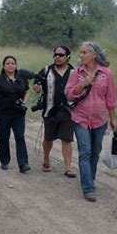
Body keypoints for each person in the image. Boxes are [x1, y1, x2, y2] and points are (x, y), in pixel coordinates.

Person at [65, 41, 117, 202]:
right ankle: (88, 188)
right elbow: (68, 94)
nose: (81, 55)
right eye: (80, 52)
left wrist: (113, 118)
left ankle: (90, 178)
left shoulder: (106, 73)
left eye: (84, 52)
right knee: (85, 151)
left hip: (100, 119)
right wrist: (84, 83)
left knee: (95, 152)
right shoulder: (76, 73)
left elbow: (110, 98)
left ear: (94, 55)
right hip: (80, 118)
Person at [33, 45, 76, 178]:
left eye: (61, 55)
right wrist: (37, 87)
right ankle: (46, 159)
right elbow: (37, 83)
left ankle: (68, 167)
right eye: (55, 54)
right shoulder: (46, 70)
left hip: (68, 111)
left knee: (67, 139)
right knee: (48, 137)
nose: (57, 57)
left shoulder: (75, 72)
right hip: (50, 110)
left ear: (68, 57)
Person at [0, 55, 31, 173]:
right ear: (3, 66)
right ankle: (4, 161)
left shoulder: (21, 78)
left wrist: (23, 102)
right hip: (3, 113)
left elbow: (27, 91)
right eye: (8, 63)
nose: (10, 65)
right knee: (4, 137)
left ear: (16, 65)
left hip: (18, 114)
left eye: (13, 63)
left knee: (20, 137)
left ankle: (23, 164)